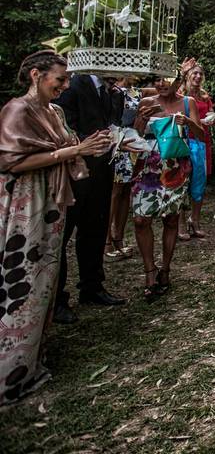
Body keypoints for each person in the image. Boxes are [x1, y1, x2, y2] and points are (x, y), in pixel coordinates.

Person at [0, 51, 112, 405]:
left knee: (44, 275)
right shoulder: (17, 110)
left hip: (52, 198)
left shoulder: (57, 112)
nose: (64, 86)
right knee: (21, 275)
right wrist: (73, 151)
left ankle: (33, 356)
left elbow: (68, 146)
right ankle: (10, 366)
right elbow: (11, 161)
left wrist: (89, 147)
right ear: (36, 74)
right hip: (25, 200)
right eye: (59, 80)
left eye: (66, 80)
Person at [52, 67, 126, 320]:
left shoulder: (114, 92)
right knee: (63, 234)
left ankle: (92, 286)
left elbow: (113, 127)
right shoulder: (72, 84)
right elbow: (62, 128)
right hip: (73, 173)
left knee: (95, 228)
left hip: (103, 171)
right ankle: (57, 299)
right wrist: (87, 144)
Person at [130, 77, 203, 300]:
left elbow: (200, 135)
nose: (162, 84)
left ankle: (166, 270)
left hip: (175, 164)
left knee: (171, 219)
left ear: (177, 80)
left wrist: (188, 123)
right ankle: (149, 272)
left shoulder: (188, 102)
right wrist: (141, 121)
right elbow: (136, 135)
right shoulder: (146, 102)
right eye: (158, 80)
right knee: (141, 219)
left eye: (167, 79)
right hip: (147, 164)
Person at [179, 63, 215, 240]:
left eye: (200, 73)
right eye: (194, 73)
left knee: (199, 183)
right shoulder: (180, 94)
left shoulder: (205, 96)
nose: (198, 76)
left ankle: (195, 220)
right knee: (183, 182)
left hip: (202, 142)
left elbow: (209, 117)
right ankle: (181, 223)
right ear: (187, 75)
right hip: (183, 141)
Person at [103, 77, 140, 264]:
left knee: (126, 191)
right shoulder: (113, 91)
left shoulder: (137, 91)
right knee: (115, 192)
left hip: (132, 142)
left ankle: (119, 238)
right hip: (116, 140)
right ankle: (106, 241)